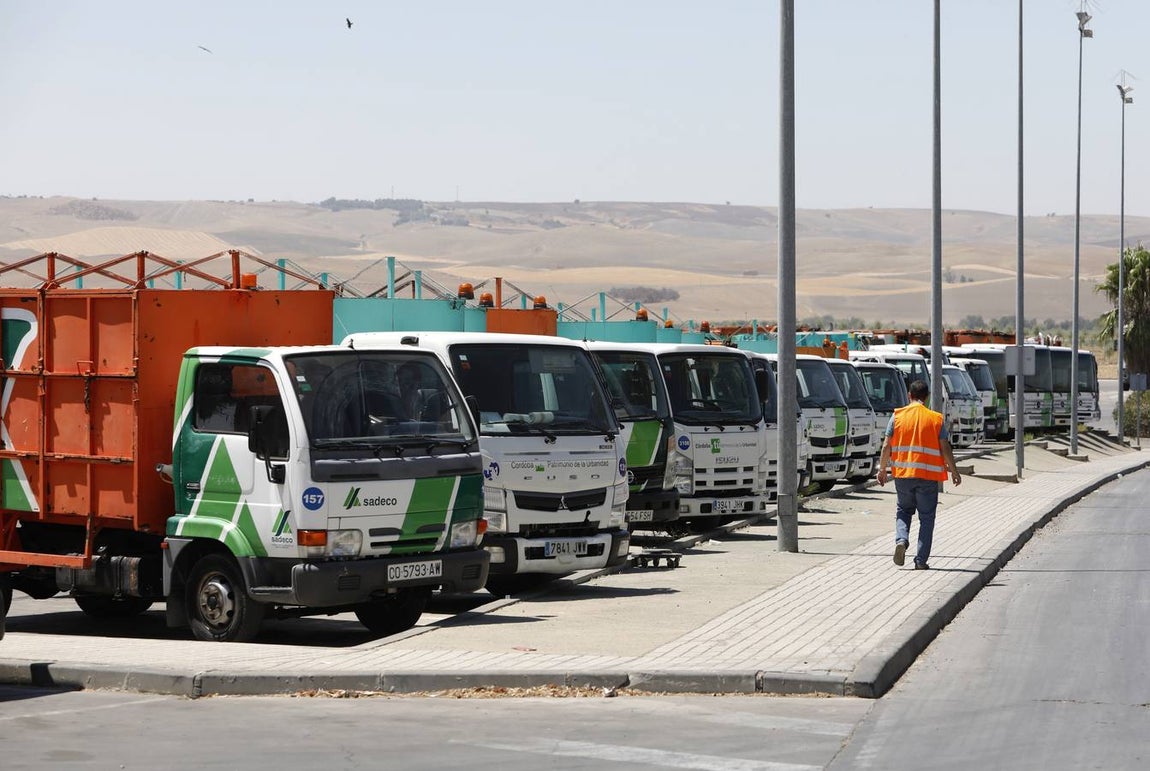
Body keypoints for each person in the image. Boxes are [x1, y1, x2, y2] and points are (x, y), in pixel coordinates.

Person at [876, 379, 962, 570]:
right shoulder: (935, 419)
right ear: (927, 397)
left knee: (903, 511)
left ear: (909, 396)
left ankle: (901, 540)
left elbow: (886, 446)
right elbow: (945, 447)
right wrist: (954, 471)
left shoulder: (897, 417)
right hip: (928, 477)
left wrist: (882, 469)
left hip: (903, 475)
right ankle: (921, 561)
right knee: (926, 518)